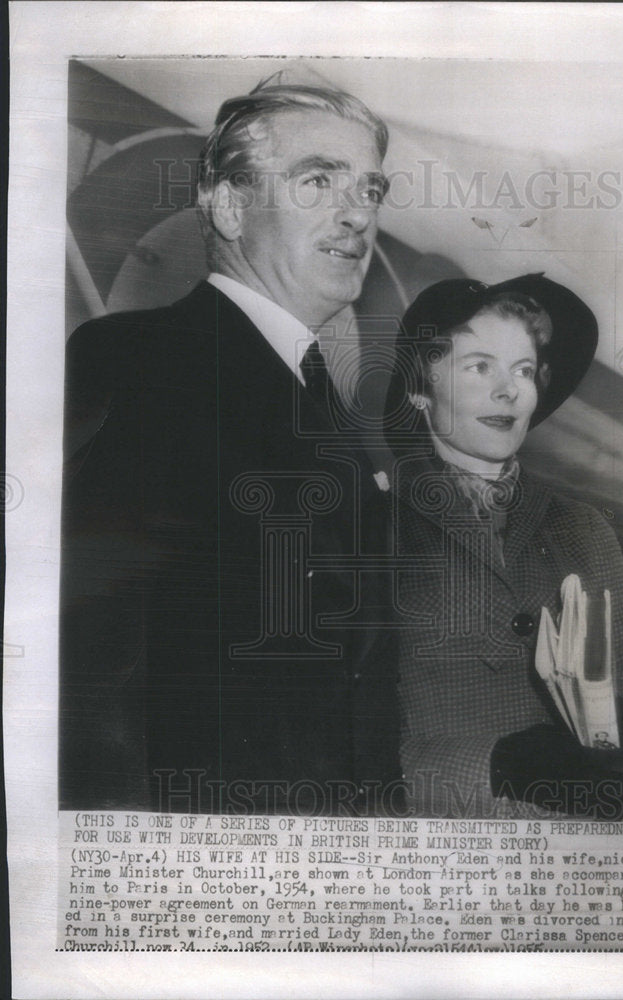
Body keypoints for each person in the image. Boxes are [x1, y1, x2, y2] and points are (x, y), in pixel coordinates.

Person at [59, 79, 401, 814]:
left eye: (371, 189)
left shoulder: (329, 412)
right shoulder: (139, 359)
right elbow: (92, 659)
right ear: (229, 205)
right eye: (319, 181)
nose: (358, 215)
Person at [383, 275, 623, 819]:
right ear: (419, 389)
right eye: (480, 366)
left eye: (523, 370)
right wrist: (502, 768)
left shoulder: (584, 526)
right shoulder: (368, 529)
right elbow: (351, 748)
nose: (510, 390)